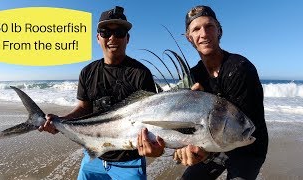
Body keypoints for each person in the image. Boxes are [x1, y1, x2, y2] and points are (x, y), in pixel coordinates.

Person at [137, 5, 268, 180]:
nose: (204, 34)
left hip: (247, 147)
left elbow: (244, 125)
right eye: (196, 29)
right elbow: (178, 117)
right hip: (213, 145)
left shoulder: (240, 68)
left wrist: (202, 151)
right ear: (189, 38)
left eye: (209, 26)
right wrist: (176, 145)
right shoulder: (193, 76)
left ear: (219, 30)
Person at [39, 6, 156, 180]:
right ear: (98, 38)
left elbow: (150, 117)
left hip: (129, 162)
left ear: (128, 38)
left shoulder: (141, 73)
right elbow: (83, 108)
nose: (112, 38)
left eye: (120, 32)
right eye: (105, 32)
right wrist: (60, 121)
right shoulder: (88, 72)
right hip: (93, 155)